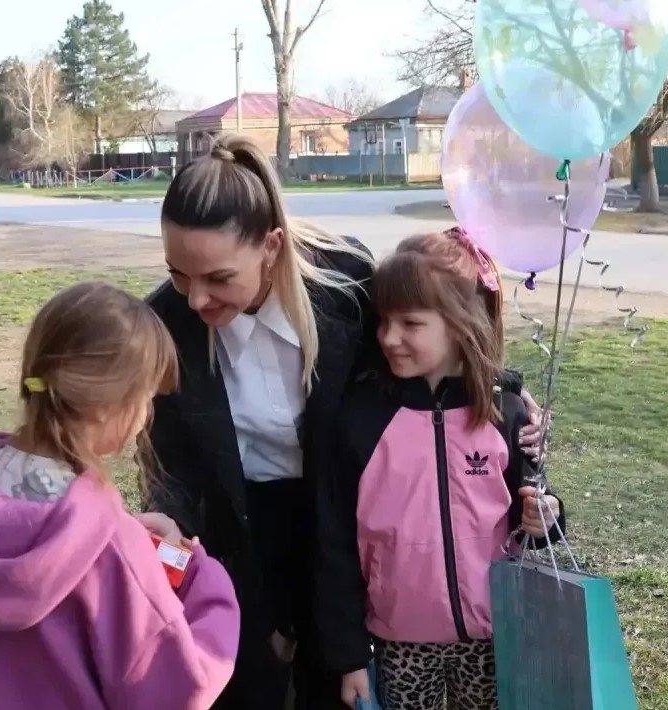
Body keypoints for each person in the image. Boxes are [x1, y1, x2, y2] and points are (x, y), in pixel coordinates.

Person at [139, 133, 551, 710]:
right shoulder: (165, 321)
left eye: (219, 278)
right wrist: (169, 514)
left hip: (340, 513)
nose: (196, 298)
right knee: (247, 683)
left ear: (272, 246)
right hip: (239, 529)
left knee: (332, 680)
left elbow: (416, 351)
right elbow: (172, 453)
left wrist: (497, 390)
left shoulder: (346, 279)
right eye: (180, 273)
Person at [0, 281, 241, 710]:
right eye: (145, 397)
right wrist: (203, 579)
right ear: (104, 406)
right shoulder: (113, 548)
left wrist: (126, 535)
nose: (146, 415)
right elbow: (180, 690)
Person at [313, 229, 567, 710]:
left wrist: (547, 517)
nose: (389, 337)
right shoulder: (360, 421)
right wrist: (348, 656)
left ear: (459, 325)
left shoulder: (507, 413)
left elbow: (531, 515)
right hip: (400, 639)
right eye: (384, 321)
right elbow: (334, 546)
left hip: (493, 635)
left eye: (410, 323)